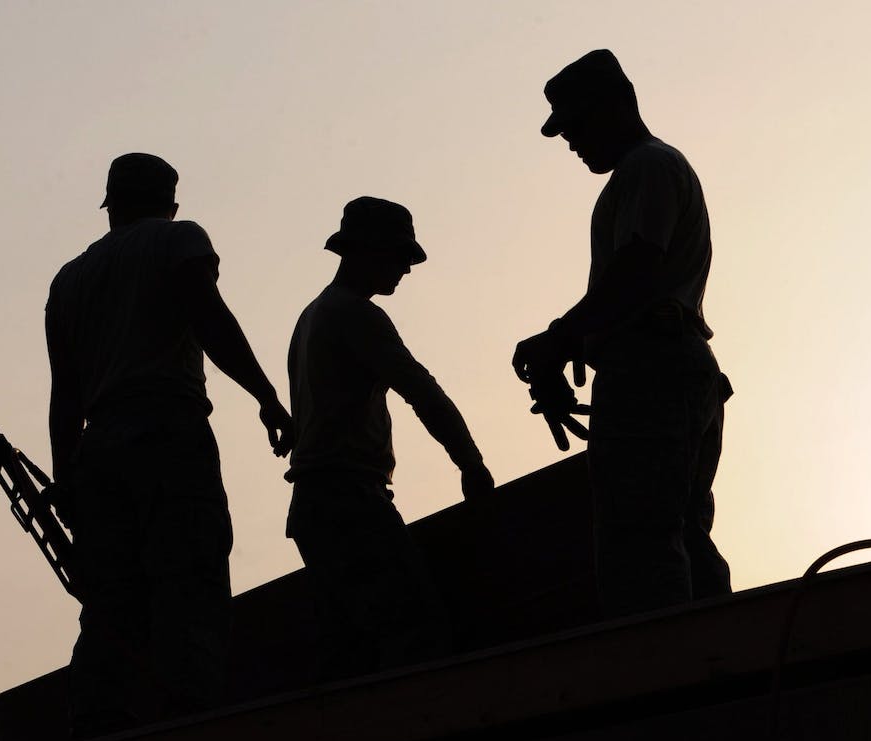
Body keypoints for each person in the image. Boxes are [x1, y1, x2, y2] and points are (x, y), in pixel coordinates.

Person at [45, 152, 294, 738]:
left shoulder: (68, 281)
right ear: (169, 202)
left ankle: (97, 726)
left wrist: (66, 481)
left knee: (109, 600)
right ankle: (194, 723)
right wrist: (266, 396)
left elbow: (64, 397)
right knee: (190, 572)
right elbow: (209, 319)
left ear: (111, 207)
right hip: (166, 432)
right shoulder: (178, 240)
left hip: (97, 450)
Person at [513, 49, 732, 616]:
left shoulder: (647, 166)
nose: (571, 143)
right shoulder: (644, 173)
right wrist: (576, 347)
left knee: (641, 544)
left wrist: (561, 338)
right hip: (668, 369)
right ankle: (721, 666)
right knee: (680, 536)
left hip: (655, 373)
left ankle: (666, 678)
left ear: (614, 107)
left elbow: (637, 270)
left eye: (575, 127)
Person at [285, 197, 494, 680]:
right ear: (365, 251)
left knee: (350, 650)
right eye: (398, 256)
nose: (405, 268)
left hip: (317, 505)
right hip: (348, 500)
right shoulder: (355, 315)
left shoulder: (311, 316)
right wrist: (471, 463)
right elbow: (421, 391)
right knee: (414, 633)